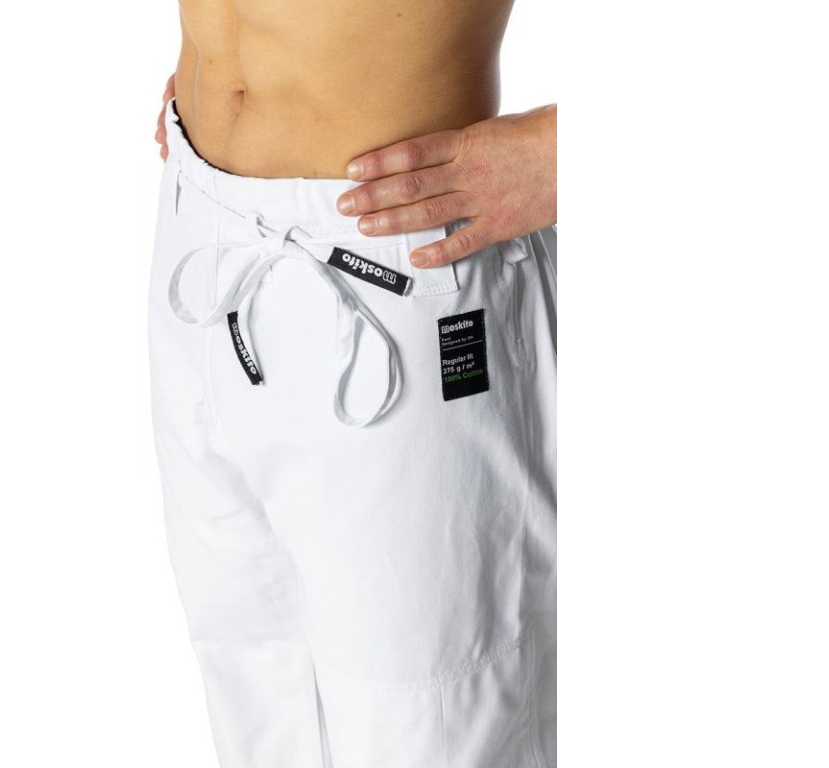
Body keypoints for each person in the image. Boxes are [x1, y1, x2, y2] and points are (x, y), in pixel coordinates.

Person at [147, 0, 556, 765]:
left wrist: (557, 155)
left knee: (431, 726)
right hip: (204, 241)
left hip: (397, 263)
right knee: (259, 699)